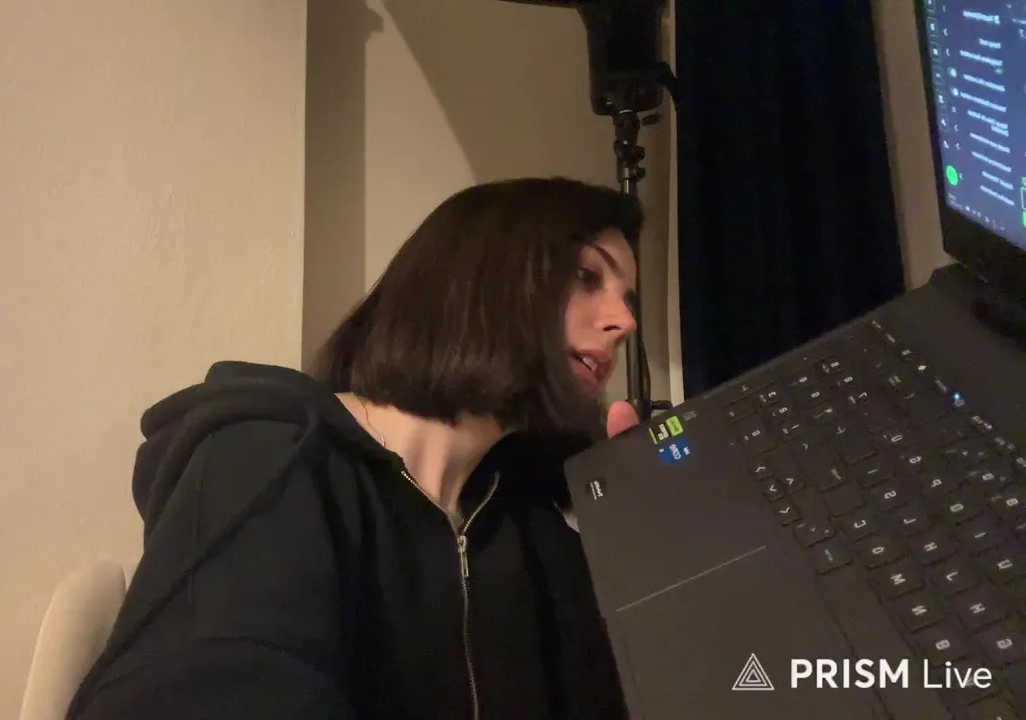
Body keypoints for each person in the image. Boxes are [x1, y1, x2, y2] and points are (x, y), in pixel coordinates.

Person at [67, 176, 644, 719]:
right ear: (481, 279)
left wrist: (649, 561)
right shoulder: (267, 457)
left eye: (629, 299)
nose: (624, 322)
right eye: (588, 276)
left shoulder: (530, 531)